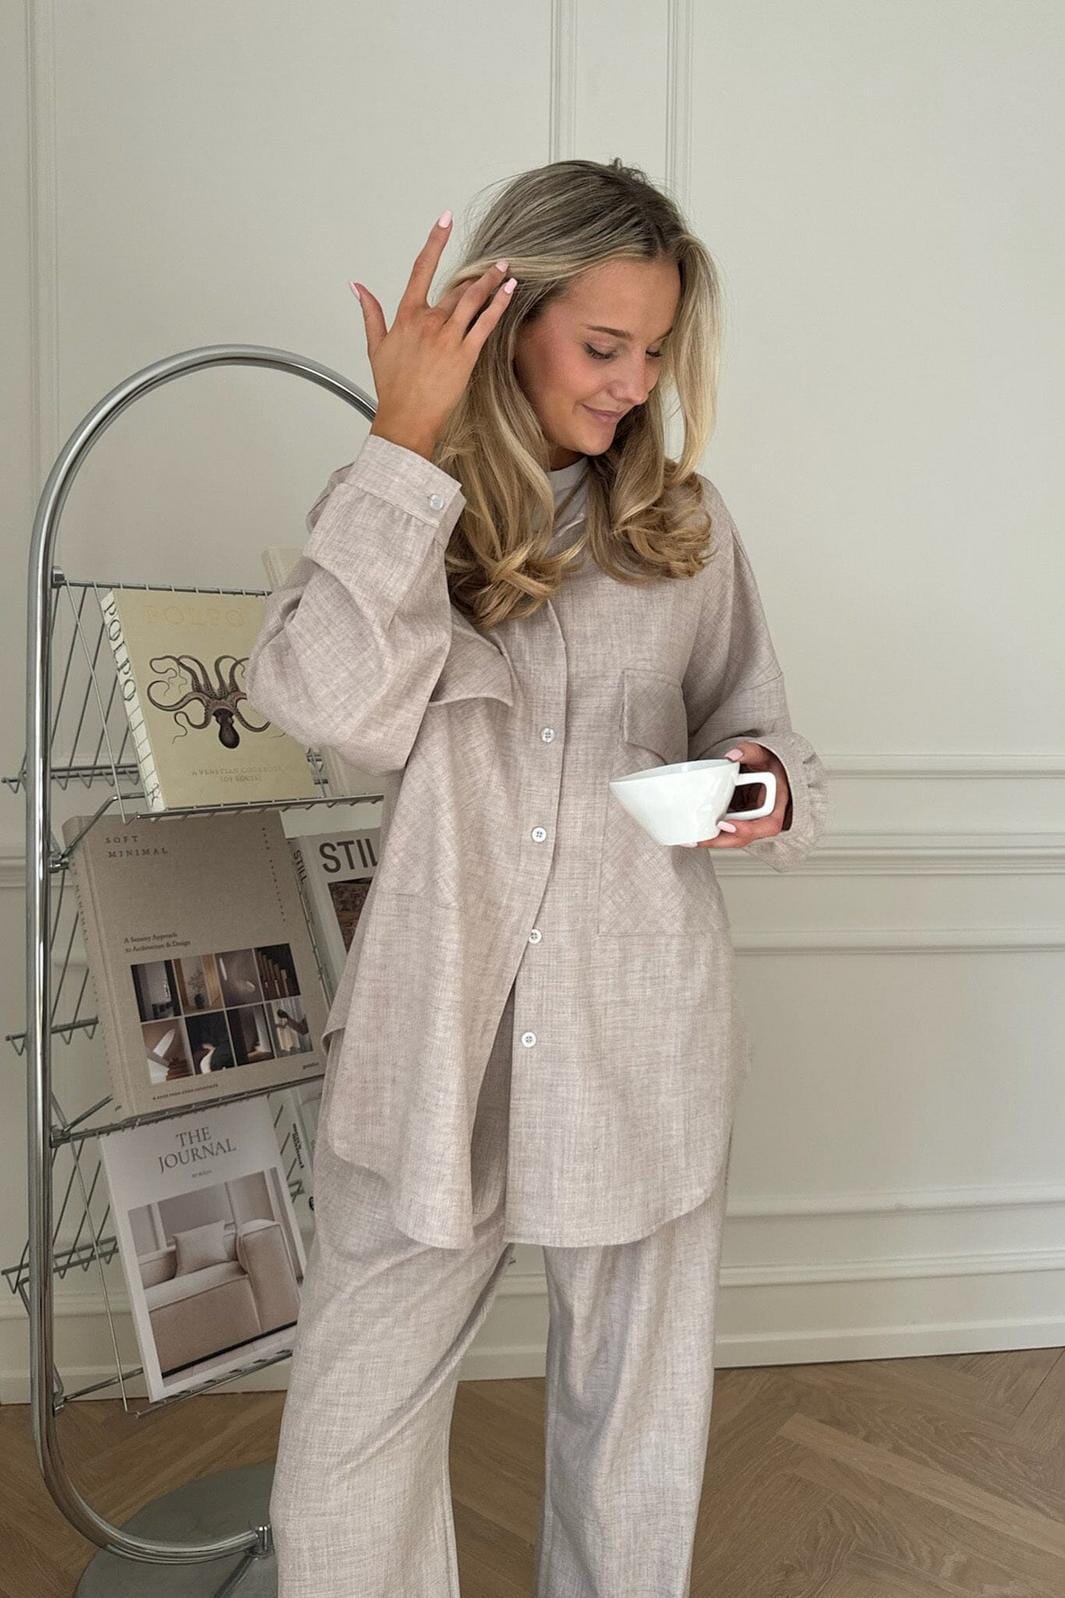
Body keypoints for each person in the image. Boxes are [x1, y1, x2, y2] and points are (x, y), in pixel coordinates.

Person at [245, 157, 828, 1598]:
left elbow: (759, 724)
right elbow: (320, 699)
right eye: (603, 345)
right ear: (509, 323)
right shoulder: (400, 513)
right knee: (349, 1437)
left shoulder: (685, 528)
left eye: (656, 351)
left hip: (639, 1028)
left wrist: (755, 785)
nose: (635, 384)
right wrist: (401, 438)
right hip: (434, 1028)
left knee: (636, 1426)